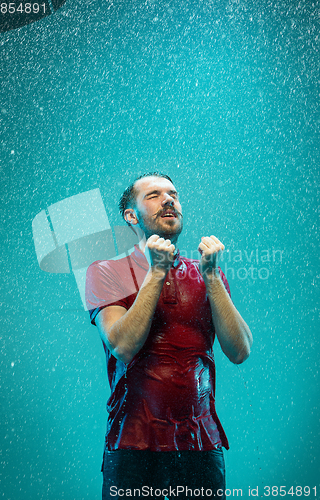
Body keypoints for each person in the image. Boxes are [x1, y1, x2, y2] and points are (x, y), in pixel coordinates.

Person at [85, 172, 253, 500]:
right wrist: (157, 270)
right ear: (131, 216)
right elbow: (122, 344)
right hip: (132, 445)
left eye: (173, 193)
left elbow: (240, 350)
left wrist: (212, 277)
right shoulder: (106, 271)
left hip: (201, 446)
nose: (168, 199)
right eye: (153, 195)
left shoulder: (208, 271)